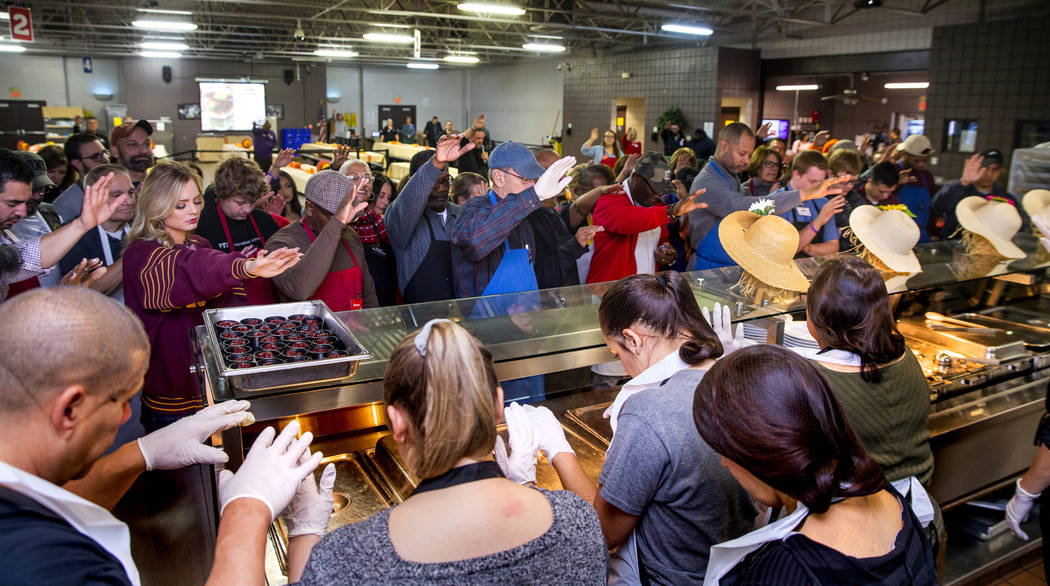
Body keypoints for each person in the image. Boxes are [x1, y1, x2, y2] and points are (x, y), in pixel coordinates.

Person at [0, 286, 328, 585]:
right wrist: (247, 511)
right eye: (121, 400)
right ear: (69, 409)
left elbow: (53, 501)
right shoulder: (47, 568)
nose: (127, 416)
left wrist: (141, 453)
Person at [289, 319, 609, 583]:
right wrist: (525, 485)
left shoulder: (348, 557)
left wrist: (301, 531)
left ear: (397, 422)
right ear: (498, 406)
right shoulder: (577, 519)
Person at [514, 273, 755, 584]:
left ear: (634, 339)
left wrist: (558, 449)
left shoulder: (649, 411)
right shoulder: (733, 376)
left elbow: (602, 532)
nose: (625, 370)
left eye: (617, 354)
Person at [694, 345, 938, 586]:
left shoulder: (789, 570)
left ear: (760, 451)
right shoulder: (887, 496)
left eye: (724, 451)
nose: (725, 462)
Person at [122, 162, 300, 430]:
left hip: (212, 387)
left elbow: (226, 297)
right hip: (173, 398)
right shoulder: (141, 254)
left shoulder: (198, 244)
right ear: (156, 207)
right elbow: (191, 268)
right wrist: (246, 266)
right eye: (180, 205)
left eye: (195, 201)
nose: (193, 210)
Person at [802, 256, 940, 550]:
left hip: (862, 534)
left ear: (814, 319)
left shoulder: (813, 380)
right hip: (921, 521)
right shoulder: (907, 356)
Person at [686, 123, 848, 263]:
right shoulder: (707, 182)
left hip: (728, 262)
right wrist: (803, 194)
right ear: (724, 146)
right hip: (708, 265)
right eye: (742, 154)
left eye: (749, 155)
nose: (747, 161)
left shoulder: (729, 173)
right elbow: (745, 208)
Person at [450, 142, 575, 298]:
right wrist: (534, 196)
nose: (532, 184)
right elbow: (474, 244)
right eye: (524, 178)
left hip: (524, 317)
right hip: (485, 319)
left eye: (533, 179)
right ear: (498, 178)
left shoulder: (527, 216)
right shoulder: (474, 209)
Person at [266, 170, 378, 311]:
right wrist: (336, 224)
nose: (344, 222)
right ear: (309, 208)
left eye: (347, 215)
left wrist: (371, 321)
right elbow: (300, 290)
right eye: (332, 215)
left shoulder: (350, 235)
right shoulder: (281, 243)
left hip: (352, 328)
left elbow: (367, 292)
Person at [587, 153, 706, 283]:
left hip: (644, 291)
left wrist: (666, 252)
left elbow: (662, 239)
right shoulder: (608, 200)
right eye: (654, 189)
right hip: (609, 293)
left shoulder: (655, 204)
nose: (658, 195)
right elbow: (628, 221)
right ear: (636, 177)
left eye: (662, 190)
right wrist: (671, 212)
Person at [385, 136, 469, 303]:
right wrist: (436, 164)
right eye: (433, 183)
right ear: (413, 183)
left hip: (459, 315)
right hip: (419, 317)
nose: (442, 189)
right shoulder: (401, 219)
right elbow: (410, 202)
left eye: (445, 181)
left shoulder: (462, 214)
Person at [195, 157, 282, 304]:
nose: (247, 209)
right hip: (226, 307)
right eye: (240, 203)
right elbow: (199, 277)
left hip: (266, 305)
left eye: (252, 202)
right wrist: (232, 267)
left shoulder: (264, 220)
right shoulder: (202, 226)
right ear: (221, 194)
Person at [526, 149, 603, 289]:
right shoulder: (529, 219)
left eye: (563, 169)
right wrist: (575, 245)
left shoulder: (552, 211)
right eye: (555, 171)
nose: (564, 176)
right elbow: (542, 277)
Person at [58, 165, 135, 301]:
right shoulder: (75, 236)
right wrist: (138, 251)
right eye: (117, 195)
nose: (128, 201)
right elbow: (80, 291)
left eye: (131, 192)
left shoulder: (141, 228)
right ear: (94, 197)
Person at [931, 148, 1022, 240]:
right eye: (984, 168)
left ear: (1001, 171)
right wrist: (964, 182)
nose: (989, 173)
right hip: (953, 247)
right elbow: (936, 207)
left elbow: (1018, 226)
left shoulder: (1006, 199)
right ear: (975, 167)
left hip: (991, 249)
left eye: (995, 169)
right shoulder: (958, 190)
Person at [343, 162, 397, 306]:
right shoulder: (329, 221)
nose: (363, 183)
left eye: (368, 178)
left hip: (380, 305)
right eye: (354, 177)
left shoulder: (381, 224)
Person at [780, 150, 846, 258]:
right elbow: (787, 250)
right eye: (812, 182)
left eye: (821, 183)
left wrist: (807, 247)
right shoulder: (778, 201)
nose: (818, 188)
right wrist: (819, 221)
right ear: (796, 174)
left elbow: (833, 247)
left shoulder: (823, 203)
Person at [52, 133, 111, 224]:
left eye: (104, 153)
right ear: (78, 164)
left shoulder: (121, 187)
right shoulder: (65, 205)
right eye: (95, 157)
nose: (104, 159)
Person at [894, 134, 936, 242]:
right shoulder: (892, 170)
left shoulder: (927, 176)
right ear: (905, 155)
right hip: (896, 234)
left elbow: (931, 209)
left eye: (924, 160)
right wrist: (896, 184)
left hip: (921, 235)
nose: (921, 164)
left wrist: (932, 232)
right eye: (916, 160)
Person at [109, 120, 154, 187]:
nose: (143, 150)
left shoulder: (158, 186)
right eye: (133, 145)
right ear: (115, 151)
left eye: (146, 144)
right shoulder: (108, 190)